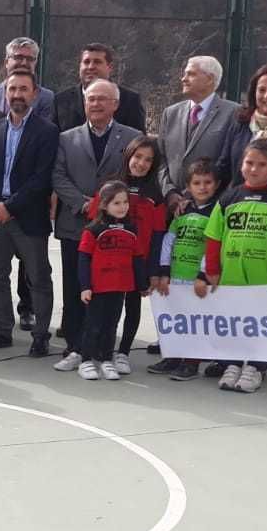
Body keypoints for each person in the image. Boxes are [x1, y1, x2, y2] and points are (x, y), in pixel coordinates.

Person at [194, 137, 267, 392]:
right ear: (241, 165)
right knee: (234, 322)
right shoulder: (229, 197)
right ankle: (233, 364)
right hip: (231, 277)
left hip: (264, 278)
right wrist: (212, 270)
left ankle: (256, 367)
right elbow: (214, 236)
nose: (254, 169)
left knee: (260, 324)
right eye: (249, 162)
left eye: (262, 164)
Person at [51, 79, 136, 371]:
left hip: (115, 232)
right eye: (91, 99)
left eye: (103, 99)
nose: (96, 104)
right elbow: (58, 176)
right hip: (75, 224)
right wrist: (86, 205)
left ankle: (102, 351)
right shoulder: (66, 138)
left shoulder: (132, 138)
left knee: (109, 294)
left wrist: (108, 207)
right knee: (76, 287)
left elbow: (134, 176)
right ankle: (74, 347)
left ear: (116, 104)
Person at [0, 70, 59, 357]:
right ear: (5, 93)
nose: (17, 95)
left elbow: (42, 178)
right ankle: (1, 331)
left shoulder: (47, 131)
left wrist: (10, 207)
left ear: (34, 93)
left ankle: (40, 336)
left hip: (27, 217)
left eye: (23, 89)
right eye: (12, 89)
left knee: (38, 277)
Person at [88, 134, 166, 374]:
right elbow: (93, 223)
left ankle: (123, 352)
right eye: (137, 156)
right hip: (110, 262)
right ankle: (94, 352)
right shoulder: (109, 187)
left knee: (132, 306)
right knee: (104, 310)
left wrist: (153, 270)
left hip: (137, 262)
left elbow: (158, 236)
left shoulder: (155, 195)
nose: (141, 163)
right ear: (128, 155)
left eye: (148, 160)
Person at [147, 158, 221, 378]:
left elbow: (213, 246)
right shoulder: (182, 211)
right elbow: (169, 241)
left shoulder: (216, 212)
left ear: (216, 185)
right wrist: (164, 270)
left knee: (195, 321)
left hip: (196, 280)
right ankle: (172, 356)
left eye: (207, 182)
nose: (202, 187)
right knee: (175, 318)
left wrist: (203, 274)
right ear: (188, 187)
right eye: (197, 183)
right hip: (176, 276)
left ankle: (191, 363)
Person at [76, 181, 143, 382]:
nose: (122, 207)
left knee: (111, 324)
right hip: (98, 288)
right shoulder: (93, 229)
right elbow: (83, 259)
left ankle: (106, 359)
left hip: (119, 287)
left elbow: (138, 258)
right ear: (104, 205)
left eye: (125, 202)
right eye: (116, 203)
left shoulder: (131, 229)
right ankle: (86, 360)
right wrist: (85, 286)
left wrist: (142, 284)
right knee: (93, 325)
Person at [157, 55, 238, 203]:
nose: (183, 79)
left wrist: (197, 194)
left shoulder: (233, 113)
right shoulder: (170, 113)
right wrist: (169, 192)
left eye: (191, 74)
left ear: (209, 79)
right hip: (172, 208)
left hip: (213, 206)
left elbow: (232, 162)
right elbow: (161, 158)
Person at [54, 43, 146, 134]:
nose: (91, 67)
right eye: (86, 62)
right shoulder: (61, 101)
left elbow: (139, 143)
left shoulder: (130, 101)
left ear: (110, 67)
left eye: (97, 62)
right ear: (80, 66)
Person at [0, 37, 56, 122]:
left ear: (35, 63)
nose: (24, 63)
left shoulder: (47, 98)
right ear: (6, 62)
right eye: (19, 57)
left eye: (30, 59)